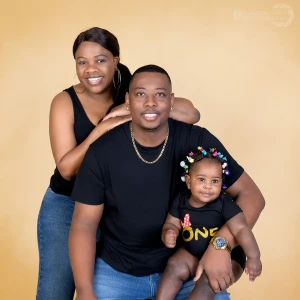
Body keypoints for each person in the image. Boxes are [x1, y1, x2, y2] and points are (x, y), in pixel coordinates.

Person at [69, 64, 265, 300]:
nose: (150, 102)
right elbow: (84, 225)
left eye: (160, 95)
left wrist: (220, 246)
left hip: (188, 267)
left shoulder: (198, 140)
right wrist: (85, 289)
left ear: (171, 101)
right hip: (118, 272)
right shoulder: (102, 152)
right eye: (141, 94)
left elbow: (252, 196)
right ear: (128, 101)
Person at [36, 28, 200, 300]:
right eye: (82, 62)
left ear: (116, 59)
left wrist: (134, 108)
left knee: (105, 287)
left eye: (100, 60)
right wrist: (102, 129)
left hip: (113, 205)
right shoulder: (64, 102)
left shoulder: (134, 91)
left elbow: (191, 113)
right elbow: (66, 169)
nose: (91, 69)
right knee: (56, 291)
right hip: (68, 204)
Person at [156, 147, 262, 300]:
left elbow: (241, 229)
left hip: (227, 258)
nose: (208, 186)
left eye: (214, 181)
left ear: (221, 183)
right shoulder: (181, 200)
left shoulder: (223, 203)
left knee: (209, 280)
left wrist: (254, 257)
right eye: (201, 179)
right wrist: (169, 232)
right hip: (192, 253)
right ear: (188, 180)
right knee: (174, 264)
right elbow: (171, 223)